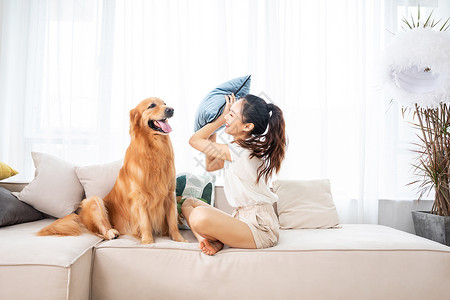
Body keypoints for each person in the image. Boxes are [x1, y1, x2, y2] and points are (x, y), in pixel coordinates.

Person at [183, 93, 287, 255]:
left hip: (260, 229)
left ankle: (215, 240)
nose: (226, 117)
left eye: (231, 114)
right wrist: (216, 130)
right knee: (188, 203)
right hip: (242, 219)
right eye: (228, 112)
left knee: (199, 216)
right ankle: (210, 241)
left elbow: (194, 140)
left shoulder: (244, 151)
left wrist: (217, 120)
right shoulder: (238, 149)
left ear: (247, 126)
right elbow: (212, 165)